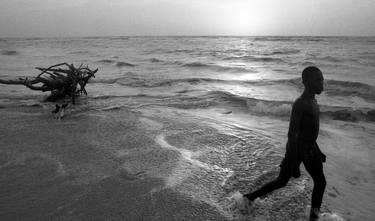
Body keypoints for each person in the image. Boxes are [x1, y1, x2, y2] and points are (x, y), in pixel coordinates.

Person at [243, 66, 327, 220]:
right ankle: (250, 197)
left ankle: (314, 217)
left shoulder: (314, 101)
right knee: (282, 181)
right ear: (306, 82)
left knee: (320, 182)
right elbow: (292, 134)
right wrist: (294, 163)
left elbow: (308, 133)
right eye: (318, 80)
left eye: (322, 79)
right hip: (296, 150)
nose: (322, 83)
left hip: (310, 149)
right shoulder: (300, 103)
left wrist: (318, 150)